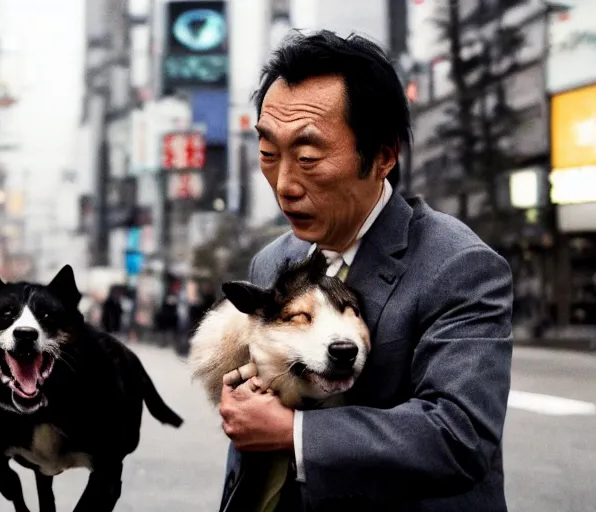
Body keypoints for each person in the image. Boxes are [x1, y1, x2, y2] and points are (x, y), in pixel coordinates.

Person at [217, 31, 514, 511]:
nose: (285, 184)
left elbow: (460, 435)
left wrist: (296, 434)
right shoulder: (273, 262)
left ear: (382, 156)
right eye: (269, 154)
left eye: (309, 158)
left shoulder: (459, 265)